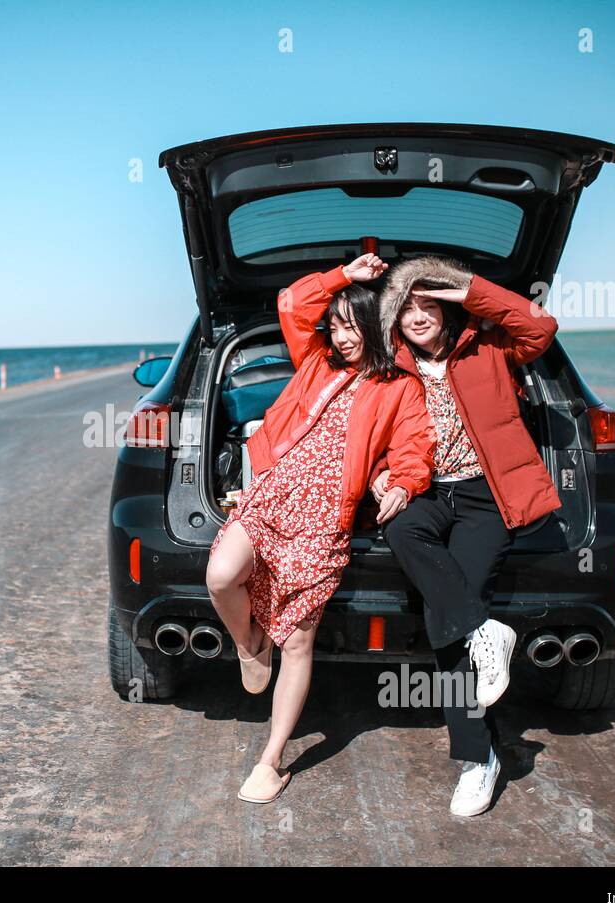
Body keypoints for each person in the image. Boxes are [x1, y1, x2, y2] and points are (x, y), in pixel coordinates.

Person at [205, 253, 436, 804]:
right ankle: (249, 644)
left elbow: (414, 448)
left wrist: (401, 480)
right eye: (334, 326)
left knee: (301, 642)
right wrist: (342, 277)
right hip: (274, 492)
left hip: (324, 514)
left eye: (351, 326)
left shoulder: (400, 386)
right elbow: (291, 303)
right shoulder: (316, 362)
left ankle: (270, 760)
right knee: (220, 576)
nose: (341, 336)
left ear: (375, 326)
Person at [371, 255, 561, 816]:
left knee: (444, 623)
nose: (417, 315)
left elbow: (541, 327)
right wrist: (383, 473)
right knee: (402, 530)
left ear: (447, 305)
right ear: (394, 322)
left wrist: (467, 292)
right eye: (405, 308)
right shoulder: (391, 367)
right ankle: (488, 631)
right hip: (426, 492)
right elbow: (376, 430)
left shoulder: (491, 345)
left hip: (485, 496)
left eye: (426, 302)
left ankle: (479, 759)